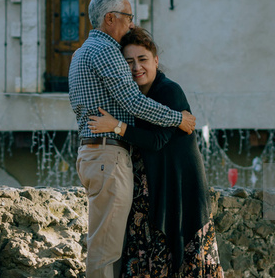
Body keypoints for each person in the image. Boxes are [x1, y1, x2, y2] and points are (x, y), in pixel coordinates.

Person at [68, 0, 197, 278]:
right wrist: (179, 118)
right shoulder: (105, 50)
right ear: (110, 18)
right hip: (107, 156)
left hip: (94, 154)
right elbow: (134, 102)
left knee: (107, 243)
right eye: (128, 17)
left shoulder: (80, 53)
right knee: (106, 249)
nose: (132, 25)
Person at [88, 26, 224, 278]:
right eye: (129, 61)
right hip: (151, 186)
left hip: (178, 187)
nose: (136, 67)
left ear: (156, 61)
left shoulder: (168, 90)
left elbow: (157, 140)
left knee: (178, 255)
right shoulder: (133, 96)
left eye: (142, 59)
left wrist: (116, 127)